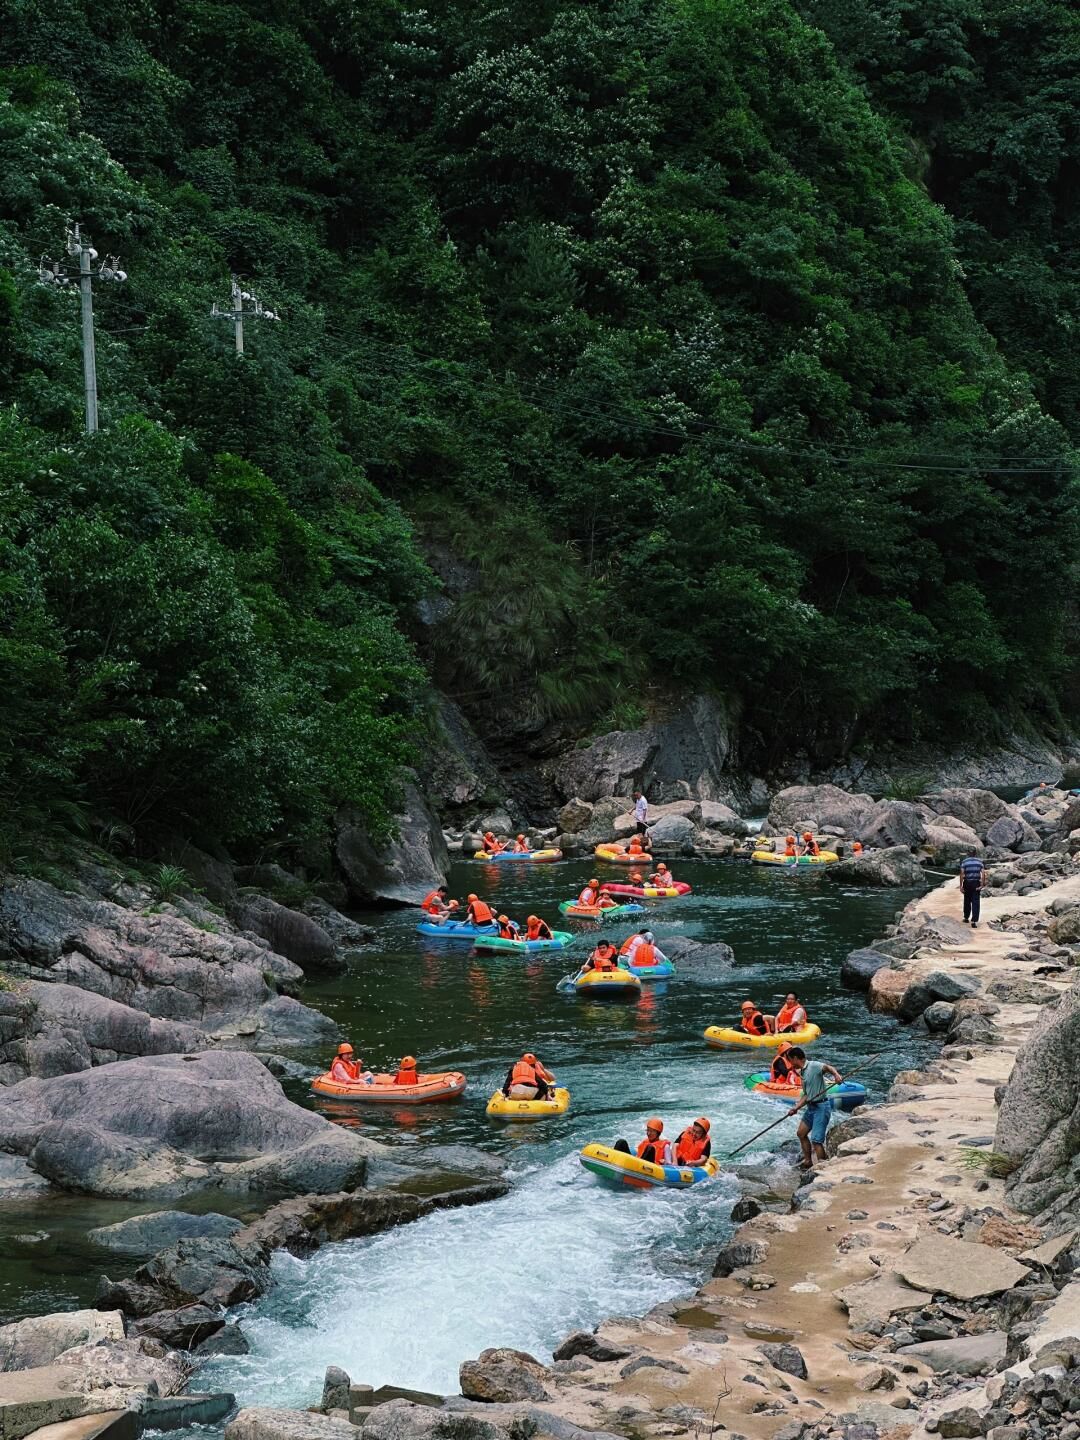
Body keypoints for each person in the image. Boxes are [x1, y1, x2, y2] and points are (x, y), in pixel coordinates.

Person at [786, 1047, 843, 1168]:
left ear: (796, 1058)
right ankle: (808, 1161)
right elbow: (806, 1095)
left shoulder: (813, 1065)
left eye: (790, 1060)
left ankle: (823, 1167)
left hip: (821, 1107)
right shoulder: (802, 1072)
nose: (790, 1064)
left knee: (817, 1141)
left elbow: (828, 1067)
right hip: (811, 1108)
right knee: (801, 1133)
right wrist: (795, 1108)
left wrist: (836, 1075)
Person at [959, 849, 985, 928]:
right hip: (976, 883)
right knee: (975, 902)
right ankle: (974, 921)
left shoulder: (964, 862)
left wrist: (961, 886)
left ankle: (966, 918)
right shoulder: (979, 862)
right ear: (975, 854)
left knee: (967, 901)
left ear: (968, 854)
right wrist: (982, 884)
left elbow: (962, 874)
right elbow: (983, 874)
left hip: (967, 883)